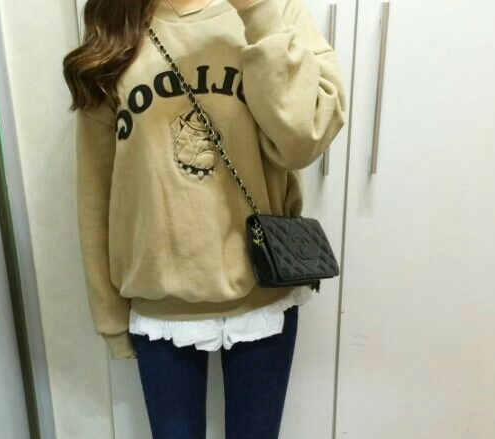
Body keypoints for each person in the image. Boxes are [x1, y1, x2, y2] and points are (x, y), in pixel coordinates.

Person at [63, 0, 346, 436]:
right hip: (159, 306)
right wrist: (110, 317)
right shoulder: (117, 20)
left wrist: (257, 11)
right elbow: (96, 190)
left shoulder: (276, 10)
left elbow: (303, 139)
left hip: (262, 294)